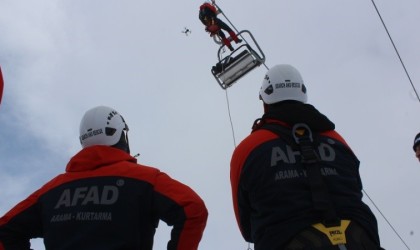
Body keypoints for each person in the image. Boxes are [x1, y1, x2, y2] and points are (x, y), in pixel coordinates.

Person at [0, 106, 208, 250]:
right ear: (120, 135)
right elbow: (192, 208)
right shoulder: (146, 179)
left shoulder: (50, 192)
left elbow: (5, 230)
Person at [230, 64, 383, 249]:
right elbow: (354, 187)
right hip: (360, 239)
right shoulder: (338, 141)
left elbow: (247, 228)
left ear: (265, 101)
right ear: (302, 96)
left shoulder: (248, 149)